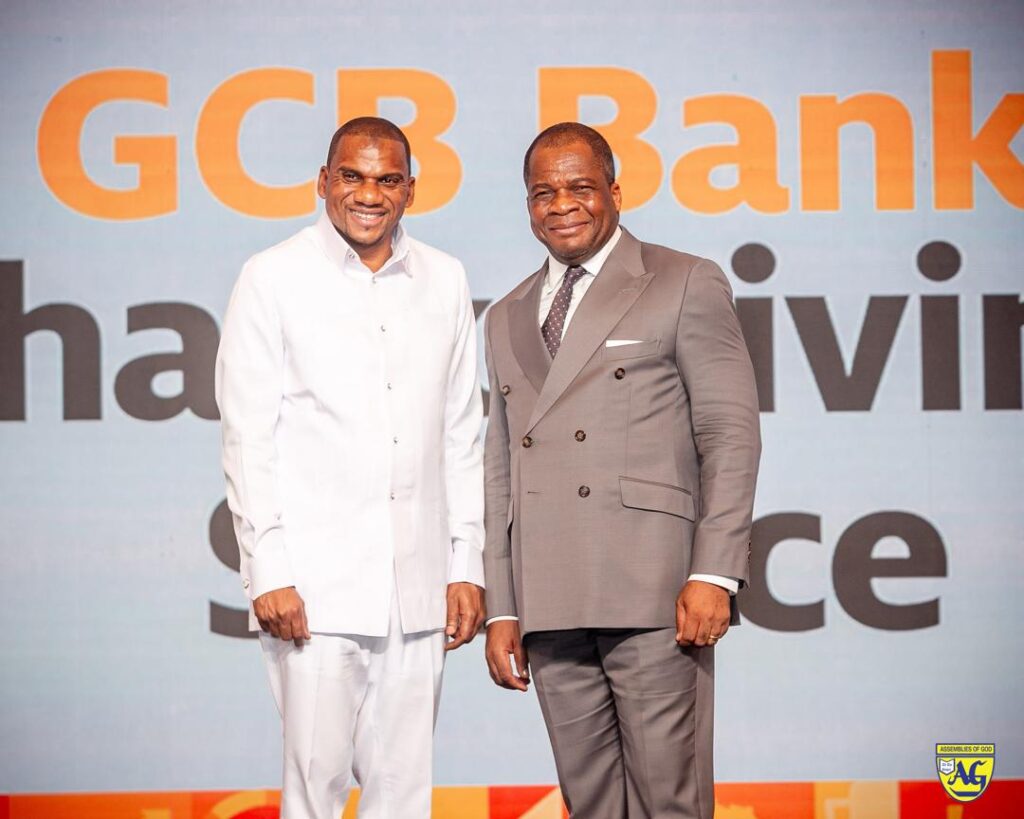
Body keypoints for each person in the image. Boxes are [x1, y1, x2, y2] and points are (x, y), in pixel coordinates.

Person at [482, 122, 761, 818]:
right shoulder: (506, 313)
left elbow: (730, 434)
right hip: (550, 596)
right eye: (543, 192)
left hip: (654, 588)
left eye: (579, 187)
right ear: (527, 203)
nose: (562, 204)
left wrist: (714, 572)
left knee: (669, 800)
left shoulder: (684, 279)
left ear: (614, 190)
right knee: (591, 804)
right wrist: (504, 603)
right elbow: (500, 464)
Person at [216, 117, 485, 819]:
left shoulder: (446, 279)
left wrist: (466, 563)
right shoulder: (272, 277)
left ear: (410, 190)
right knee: (315, 794)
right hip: (314, 591)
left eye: (387, 179)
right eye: (353, 176)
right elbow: (248, 437)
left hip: (418, 589)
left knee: (403, 797)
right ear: (323, 182)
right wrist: (269, 571)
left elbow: (461, 431)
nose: (369, 194)